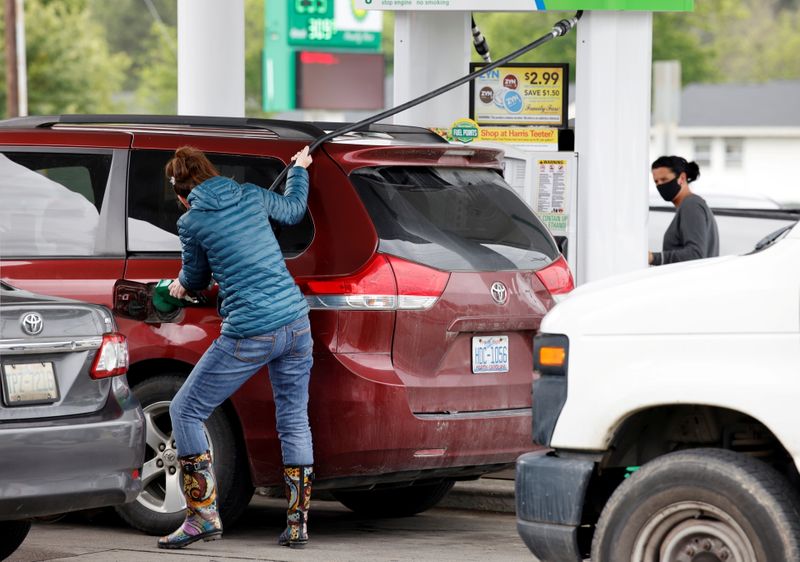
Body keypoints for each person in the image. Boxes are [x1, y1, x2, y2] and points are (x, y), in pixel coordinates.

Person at [157, 145, 314, 550]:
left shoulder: (192, 221)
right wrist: (299, 169)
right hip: (296, 323)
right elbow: (294, 209)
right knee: (294, 420)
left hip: (251, 330)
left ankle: (202, 517)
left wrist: (178, 286)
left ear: (181, 193)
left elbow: (193, 278)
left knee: (185, 409)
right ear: (210, 173)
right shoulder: (249, 194)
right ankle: (297, 526)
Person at [649, 155, 719, 266]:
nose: (660, 185)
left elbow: (696, 254)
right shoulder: (689, 205)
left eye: (664, 179)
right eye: (656, 182)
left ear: (682, 178)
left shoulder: (691, 205)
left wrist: (654, 258)